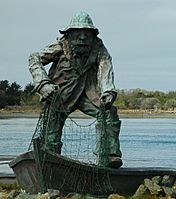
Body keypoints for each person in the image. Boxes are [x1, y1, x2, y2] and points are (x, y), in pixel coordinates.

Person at [28, 11, 122, 168]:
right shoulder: (59, 46)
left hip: (88, 94)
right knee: (51, 134)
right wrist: (43, 84)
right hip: (60, 95)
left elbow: (106, 69)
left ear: (93, 36)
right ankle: (51, 161)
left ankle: (110, 155)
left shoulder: (98, 48)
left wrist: (108, 92)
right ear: (69, 34)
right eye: (78, 34)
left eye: (87, 34)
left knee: (108, 112)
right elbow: (34, 58)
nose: (83, 38)